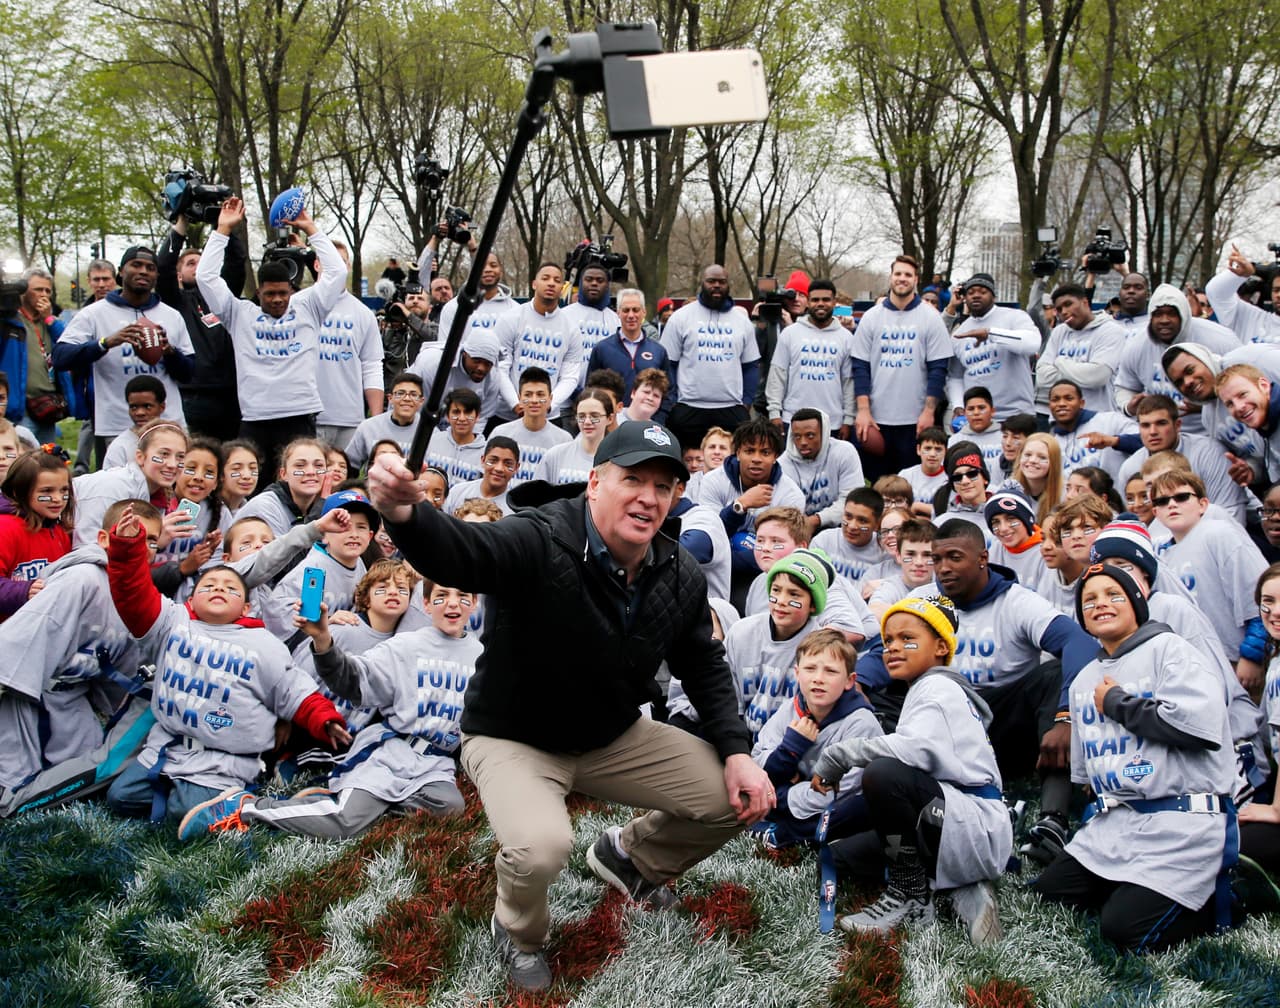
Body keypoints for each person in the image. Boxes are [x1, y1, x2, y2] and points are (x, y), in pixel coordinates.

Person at [365, 420, 772, 993]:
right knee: (541, 849)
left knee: (737, 796)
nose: (648, 498)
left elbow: (702, 664)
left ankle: (631, 860)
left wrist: (736, 752)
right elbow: (465, 554)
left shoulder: (678, 568)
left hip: (611, 735)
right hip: (514, 736)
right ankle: (518, 931)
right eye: (633, 479)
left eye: (663, 486)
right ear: (595, 483)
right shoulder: (539, 536)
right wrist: (407, 515)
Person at [102, 503, 350, 827]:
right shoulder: (172, 622)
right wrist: (125, 549)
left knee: (183, 814)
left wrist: (324, 719)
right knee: (119, 797)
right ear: (190, 600)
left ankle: (251, 805)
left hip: (223, 761)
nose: (219, 587)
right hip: (166, 749)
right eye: (209, 585)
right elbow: (131, 592)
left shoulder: (265, 645)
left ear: (247, 606)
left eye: (230, 588)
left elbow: (295, 692)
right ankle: (189, 799)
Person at [1031, 563, 1236, 953]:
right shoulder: (1085, 676)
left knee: (1124, 931)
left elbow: (1200, 728)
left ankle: (1232, 895)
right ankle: (1131, 884)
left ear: (1137, 604)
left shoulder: (1171, 650)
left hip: (1182, 822)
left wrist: (1118, 704)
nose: (1100, 604)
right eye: (1089, 599)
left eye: (1113, 595)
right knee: (1050, 894)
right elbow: (1088, 775)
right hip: (1118, 823)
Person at [178, 576, 479, 839]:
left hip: (435, 765)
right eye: (441, 596)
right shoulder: (406, 646)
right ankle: (245, 809)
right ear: (426, 604)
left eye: (462, 597)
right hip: (393, 753)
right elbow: (351, 680)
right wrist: (323, 640)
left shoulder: (482, 657)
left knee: (449, 808)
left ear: (475, 603)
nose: (452, 604)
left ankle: (330, 802)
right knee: (346, 822)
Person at [812, 595, 1011, 944]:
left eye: (907, 639)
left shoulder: (938, 687)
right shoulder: (928, 687)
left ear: (939, 647)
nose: (893, 647)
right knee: (842, 858)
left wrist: (838, 756)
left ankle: (910, 894)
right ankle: (961, 884)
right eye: (888, 640)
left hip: (972, 820)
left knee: (882, 774)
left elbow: (912, 751)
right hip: (955, 819)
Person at [195, 195, 348, 476]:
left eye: (283, 293)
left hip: (299, 415)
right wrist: (223, 231)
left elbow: (337, 272)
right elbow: (206, 277)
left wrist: (309, 226)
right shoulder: (239, 313)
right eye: (270, 294)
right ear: (259, 293)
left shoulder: (309, 307)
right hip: (256, 418)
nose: (277, 299)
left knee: (301, 483)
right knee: (250, 484)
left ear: (291, 290)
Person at [54, 249, 193, 459]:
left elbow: (190, 372)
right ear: (121, 272)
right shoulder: (94, 313)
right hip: (116, 425)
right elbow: (60, 357)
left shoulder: (171, 316)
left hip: (168, 423)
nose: (143, 271)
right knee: (120, 490)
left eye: (150, 268)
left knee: (170, 488)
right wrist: (105, 343)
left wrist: (170, 352)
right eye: (136, 265)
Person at [750, 628, 882, 850]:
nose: (818, 679)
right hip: (792, 799)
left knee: (857, 809)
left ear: (849, 681)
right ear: (797, 673)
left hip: (832, 809)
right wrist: (791, 747)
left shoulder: (861, 723)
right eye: (810, 668)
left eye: (830, 671)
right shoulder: (790, 708)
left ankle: (786, 834)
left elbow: (838, 790)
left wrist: (779, 797)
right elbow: (758, 760)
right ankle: (784, 830)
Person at [1151, 469, 1267, 670]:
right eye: (1162, 501)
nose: (1171, 504)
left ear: (1203, 504)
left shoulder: (1219, 534)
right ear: (1155, 513)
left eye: (1181, 497)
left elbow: (1259, 596)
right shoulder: (1160, 555)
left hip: (1236, 661)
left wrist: (1252, 654)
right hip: (1195, 666)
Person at [851, 255, 952, 479]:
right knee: (879, 484)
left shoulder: (930, 317)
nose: (902, 279)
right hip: (877, 418)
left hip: (914, 419)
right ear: (891, 277)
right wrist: (864, 411)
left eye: (908, 275)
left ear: (915, 279)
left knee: (910, 482)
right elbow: (860, 367)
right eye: (898, 274)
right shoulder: (872, 317)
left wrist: (929, 412)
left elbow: (938, 369)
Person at [155, 214, 244, 441]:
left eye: (201, 261)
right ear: (179, 273)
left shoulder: (222, 298)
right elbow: (163, 265)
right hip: (193, 395)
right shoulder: (175, 301)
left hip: (230, 394)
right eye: (190, 263)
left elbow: (236, 263)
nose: (197, 266)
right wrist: (181, 224)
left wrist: (222, 224)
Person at [1113, 284, 1238, 435]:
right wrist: (1129, 406)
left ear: (1184, 314)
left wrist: (1208, 404)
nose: (1164, 320)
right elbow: (1125, 386)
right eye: (1158, 314)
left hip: (1215, 433)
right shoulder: (1137, 345)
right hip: (1162, 436)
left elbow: (1245, 385)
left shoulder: (1219, 338)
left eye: (1171, 313)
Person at [660, 264, 760, 450]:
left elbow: (751, 366)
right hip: (688, 407)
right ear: (702, 283)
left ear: (728, 284)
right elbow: (668, 364)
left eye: (721, 282)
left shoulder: (742, 321)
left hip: (731, 408)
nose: (716, 285)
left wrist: (746, 402)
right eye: (711, 281)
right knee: (687, 464)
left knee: (730, 465)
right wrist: (673, 401)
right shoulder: (681, 318)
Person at [314, 241, 384, 451]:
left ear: (348, 266)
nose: (336, 267)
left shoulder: (363, 314)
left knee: (347, 481)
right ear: (317, 264)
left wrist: (376, 420)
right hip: (308, 416)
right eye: (329, 262)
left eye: (341, 262)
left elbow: (372, 366)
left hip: (350, 418)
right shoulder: (298, 304)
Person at [765, 278, 854, 437]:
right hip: (792, 420)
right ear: (808, 302)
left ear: (834, 302)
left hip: (832, 423)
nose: (820, 304)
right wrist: (774, 412)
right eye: (815, 300)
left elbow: (848, 382)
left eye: (826, 299)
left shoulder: (846, 338)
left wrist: (848, 420)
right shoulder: (790, 334)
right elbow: (777, 375)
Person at [945, 272, 1039, 422]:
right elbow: (955, 377)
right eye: (971, 293)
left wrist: (991, 333)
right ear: (964, 298)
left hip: (1016, 415)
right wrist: (958, 406)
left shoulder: (1014, 317)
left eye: (982, 292)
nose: (976, 296)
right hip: (978, 418)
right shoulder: (960, 333)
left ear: (993, 296)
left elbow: (1032, 343)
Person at [493, 262, 580, 424]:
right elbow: (499, 368)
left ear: (562, 287)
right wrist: (515, 403)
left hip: (549, 417)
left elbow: (570, 376)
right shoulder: (511, 318)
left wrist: (549, 404)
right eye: (545, 278)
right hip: (506, 414)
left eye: (557, 280)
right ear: (534, 284)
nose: (551, 283)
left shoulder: (572, 328)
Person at [0, 447, 74, 618]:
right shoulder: (5, 528)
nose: (57, 498)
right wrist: (25, 591)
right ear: (20, 491)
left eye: (64, 490)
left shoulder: (58, 530)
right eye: (46, 492)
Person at [6, 266, 75, 446]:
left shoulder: (50, 322)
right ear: (24, 291)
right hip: (22, 406)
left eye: (47, 291)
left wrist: (50, 319)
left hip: (48, 407)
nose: (43, 294)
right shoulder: (11, 321)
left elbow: (68, 346)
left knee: (45, 461)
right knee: (22, 460)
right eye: (38, 289)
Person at [1036, 284, 1126, 415]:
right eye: (1059, 309)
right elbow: (1042, 378)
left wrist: (1060, 362)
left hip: (1098, 418)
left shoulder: (1111, 330)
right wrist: (1082, 372)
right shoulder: (1059, 332)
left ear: (1085, 303)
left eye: (1068, 304)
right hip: (1061, 420)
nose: (1064, 312)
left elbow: (1097, 377)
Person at [778, 407, 865, 538]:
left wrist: (817, 520)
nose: (803, 442)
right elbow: (786, 510)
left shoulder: (844, 452)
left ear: (824, 433)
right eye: (797, 436)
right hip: (799, 528)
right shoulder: (783, 463)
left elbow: (853, 500)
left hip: (843, 525)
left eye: (810, 435)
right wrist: (804, 525)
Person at [586, 289, 674, 418]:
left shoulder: (658, 351)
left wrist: (658, 419)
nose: (631, 315)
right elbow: (590, 389)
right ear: (618, 313)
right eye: (626, 310)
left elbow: (669, 391)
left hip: (647, 423)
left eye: (636, 310)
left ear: (644, 312)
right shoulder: (602, 349)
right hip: (612, 423)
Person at [490, 368, 572, 482]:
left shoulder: (564, 439)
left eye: (540, 395)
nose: (534, 400)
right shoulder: (500, 433)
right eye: (528, 395)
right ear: (520, 398)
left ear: (550, 398)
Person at [234, 436, 329, 536]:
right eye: (300, 465)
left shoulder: (321, 506)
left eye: (319, 465)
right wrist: (318, 514)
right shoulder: (265, 507)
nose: (311, 472)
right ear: (284, 474)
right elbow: (284, 551)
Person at [344, 372, 424, 472]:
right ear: (390, 398)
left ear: (421, 401)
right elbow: (350, 466)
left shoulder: (429, 431)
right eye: (400, 393)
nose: (407, 399)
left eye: (413, 394)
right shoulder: (368, 427)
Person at [1205, 244, 1280, 346]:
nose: (1278, 295)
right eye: (1276, 290)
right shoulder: (1252, 318)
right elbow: (1215, 292)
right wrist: (1241, 274)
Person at [537, 388, 616, 485]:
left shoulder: (618, 461)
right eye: (581, 416)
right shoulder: (555, 455)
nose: (587, 422)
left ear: (610, 419)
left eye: (595, 416)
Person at [560, 262, 621, 375]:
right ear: (580, 283)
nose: (594, 283)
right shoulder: (563, 316)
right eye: (589, 279)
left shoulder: (616, 320)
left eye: (599, 280)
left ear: (607, 285)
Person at [99, 374, 168, 470]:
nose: (140, 413)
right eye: (134, 407)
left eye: (147, 406)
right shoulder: (120, 446)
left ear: (162, 407)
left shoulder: (175, 440)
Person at [983, 482, 1044, 586]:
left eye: (1011, 519)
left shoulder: (1044, 552)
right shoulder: (995, 549)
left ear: (1027, 520)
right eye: (996, 522)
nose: (1003, 528)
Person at [442, 435, 520, 516]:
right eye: (493, 461)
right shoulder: (457, 492)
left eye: (508, 464)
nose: (499, 468)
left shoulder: (515, 509)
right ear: (483, 460)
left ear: (516, 467)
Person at [426, 387, 488, 486]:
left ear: (477, 416)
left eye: (468, 413)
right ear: (447, 416)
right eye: (456, 412)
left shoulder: (485, 452)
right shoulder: (431, 441)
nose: (462, 418)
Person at [1012, 432, 1064, 527]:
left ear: (1053, 462)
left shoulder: (1065, 496)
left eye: (1042, 457)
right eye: (1028, 455)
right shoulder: (1009, 489)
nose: (1032, 460)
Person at [948, 386, 1003, 474]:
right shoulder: (954, 441)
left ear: (992, 411)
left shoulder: (1004, 437)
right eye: (971, 409)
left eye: (981, 408)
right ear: (965, 413)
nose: (976, 413)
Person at [899, 427, 949, 514]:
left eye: (938, 449)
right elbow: (895, 507)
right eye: (928, 448)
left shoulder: (951, 478)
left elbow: (950, 511)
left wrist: (917, 506)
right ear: (918, 449)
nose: (932, 454)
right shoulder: (905, 475)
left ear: (946, 451)